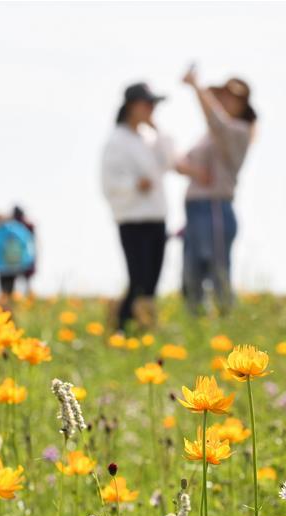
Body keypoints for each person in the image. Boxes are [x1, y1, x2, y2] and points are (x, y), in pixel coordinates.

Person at [177, 67, 256, 315]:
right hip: (194, 210)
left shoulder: (239, 132)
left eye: (234, 96)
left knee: (218, 270)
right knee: (192, 273)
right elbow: (181, 162)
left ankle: (226, 323)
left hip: (215, 208)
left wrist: (196, 86)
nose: (226, 100)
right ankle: (195, 323)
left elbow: (216, 120)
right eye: (223, 94)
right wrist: (194, 172)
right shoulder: (207, 137)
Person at [101, 82, 174, 331]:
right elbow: (109, 181)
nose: (152, 109)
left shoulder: (149, 138)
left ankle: (143, 328)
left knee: (152, 281)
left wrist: (158, 130)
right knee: (138, 279)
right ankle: (121, 327)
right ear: (132, 106)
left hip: (156, 217)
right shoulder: (116, 141)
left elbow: (169, 161)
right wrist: (134, 185)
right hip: (132, 219)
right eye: (147, 104)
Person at [0, 214, 35, 298]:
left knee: (4, 288)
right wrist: (27, 260)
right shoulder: (18, 229)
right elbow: (26, 244)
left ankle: (5, 301)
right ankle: (11, 300)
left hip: (2, 265)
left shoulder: (0, 231)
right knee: (11, 286)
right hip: (16, 265)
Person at [12, 205, 36, 294]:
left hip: (11, 259)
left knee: (12, 279)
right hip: (27, 256)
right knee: (27, 279)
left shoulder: (9, 225)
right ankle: (28, 296)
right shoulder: (29, 225)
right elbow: (32, 241)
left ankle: (12, 297)